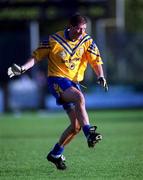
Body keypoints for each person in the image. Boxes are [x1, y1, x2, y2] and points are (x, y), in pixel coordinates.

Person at [8, 14, 108, 170]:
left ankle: (55, 154)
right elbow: (36, 57)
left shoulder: (87, 41)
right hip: (56, 80)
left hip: (73, 83)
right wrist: (22, 68)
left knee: (75, 127)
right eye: (79, 29)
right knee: (79, 97)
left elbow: (96, 61)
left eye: (84, 29)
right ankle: (89, 133)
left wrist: (100, 75)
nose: (82, 32)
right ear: (71, 27)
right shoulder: (54, 40)